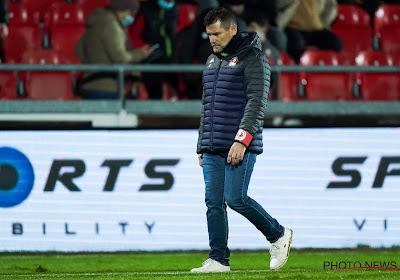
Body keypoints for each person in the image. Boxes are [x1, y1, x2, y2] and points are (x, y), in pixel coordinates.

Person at [191, 7, 293, 273]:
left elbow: (257, 103)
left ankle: (278, 235)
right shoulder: (212, 61)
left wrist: (242, 140)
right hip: (213, 144)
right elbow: (207, 106)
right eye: (209, 35)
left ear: (232, 29)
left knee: (235, 198)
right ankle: (218, 259)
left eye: (216, 34)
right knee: (213, 202)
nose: (212, 39)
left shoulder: (254, 58)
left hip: (239, 144)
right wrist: (202, 142)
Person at [74, 0, 152, 99]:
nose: (131, 19)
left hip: (88, 86)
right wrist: (140, 54)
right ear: (124, 11)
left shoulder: (96, 20)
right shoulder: (111, 25)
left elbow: (79, 50)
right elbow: (119, 58)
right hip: (108, 89)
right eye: (131, 15)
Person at [277, 0, 342, 63]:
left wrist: (323, 23)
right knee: (296, 44)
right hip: (290, 27)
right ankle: (301, 71)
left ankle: (325, 70)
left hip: (315, 28)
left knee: (335, 42)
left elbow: (331, 6)